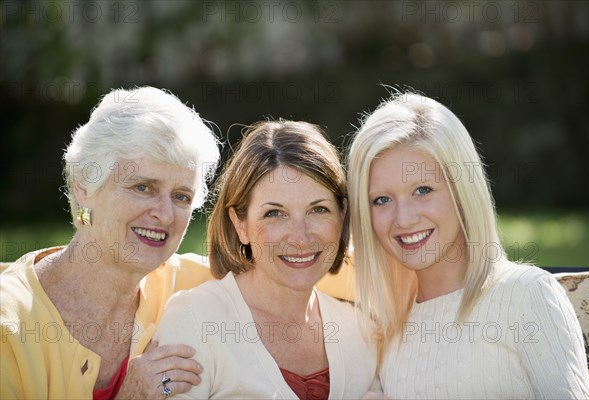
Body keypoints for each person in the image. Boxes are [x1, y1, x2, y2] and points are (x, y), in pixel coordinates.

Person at [347, 91, 589, 399]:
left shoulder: (527, 294)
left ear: (462, 191)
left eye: (423, 190)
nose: (404, 218)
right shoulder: (383, 327)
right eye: (381, 200)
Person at [0, 86, 220, 399]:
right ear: (84, 187)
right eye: (143, 187)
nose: (165, 214)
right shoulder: (9, 326)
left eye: (181, 196)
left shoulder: (195, 284)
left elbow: (298, 276)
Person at [154, 120, 377, 399]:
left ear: (342, 214)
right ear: (240, 224)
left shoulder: (362, 331)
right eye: (275, 213)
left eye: (318, 209)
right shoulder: (194, 319)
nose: (300, 238)